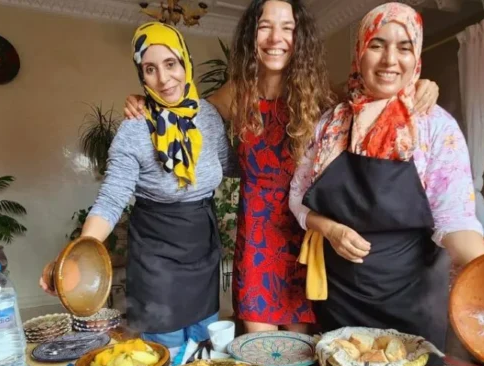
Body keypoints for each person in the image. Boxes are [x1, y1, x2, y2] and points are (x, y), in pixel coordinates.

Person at [124, 1, 440, 335]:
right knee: (258, 349)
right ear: (252, 34)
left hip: (306, 236)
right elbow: (183, 110)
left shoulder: (321, 95)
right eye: (265, 26)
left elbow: (377, 97)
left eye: (287, 28)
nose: (276, 38)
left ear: (299, 36)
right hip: (256, 239)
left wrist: (419, 86)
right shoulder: (236, 93)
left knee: (301, 351)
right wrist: (145, 102)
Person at [288, 2, 484, 352]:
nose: (390, 59)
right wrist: (330, 229)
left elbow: (455, 219)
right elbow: (297, 198)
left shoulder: (435, 126)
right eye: (377, 45)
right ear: (360, 53)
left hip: (412, 299)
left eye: (404, 47)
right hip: (341, 297)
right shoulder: (331, 124)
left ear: (417, 56)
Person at [41, 22, 238, 348]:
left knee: (205, 349)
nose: (164, 78)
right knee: (164, 350)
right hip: (155, 255)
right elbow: (111, 198)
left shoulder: (208, 117)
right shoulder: (134, 129)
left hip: (202, 247)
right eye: (150, 69)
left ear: (185, 62)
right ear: (141, 76)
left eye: (170, 64)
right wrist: (79, 254)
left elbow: (233, 166)